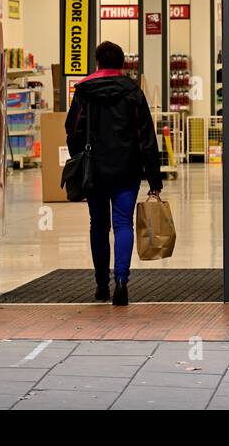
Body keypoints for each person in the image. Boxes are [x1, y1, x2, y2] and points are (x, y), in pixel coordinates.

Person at [66, 40, 163, 305]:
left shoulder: (84, 91)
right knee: (123, 223)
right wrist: (154, 178)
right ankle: (121, 281)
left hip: (94, 170)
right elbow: (146, 136)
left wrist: (79, 160)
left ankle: (101, 284)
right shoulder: (133, 91)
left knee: (98, 225)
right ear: (122, 63)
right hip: (126, 169)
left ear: (97, 62)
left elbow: (72, 130)